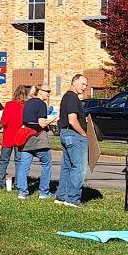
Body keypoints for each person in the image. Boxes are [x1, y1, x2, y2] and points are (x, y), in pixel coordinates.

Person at [55, 74, 91, 208]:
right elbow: (72, 120)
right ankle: (72, 199)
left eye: (86, 85)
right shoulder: (72, 97)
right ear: (74, 82)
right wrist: (83, 134)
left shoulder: (68, 97)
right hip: (74, 135)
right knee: (79, 167)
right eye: (82, 84)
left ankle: (62, 196)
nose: (84, 87)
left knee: (67, 166)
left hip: (66, 134)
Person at [15, 86, 56, 199]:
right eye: (47, 91)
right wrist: (53, 119)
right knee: (46, 164)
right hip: (38, 139)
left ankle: (22, 192)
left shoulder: (27, 103)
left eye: (49, 91)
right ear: (40, 92)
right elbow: (42, 124)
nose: (49, 94)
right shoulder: (41, 104)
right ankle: (44, 192)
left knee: (23, 166)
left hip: (25, 139)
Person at [0, 86, 30, 190]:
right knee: (19, 161)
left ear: (15, 94)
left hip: (8, 136)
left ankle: (0, 183)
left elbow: (4, 121)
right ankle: (18, 184)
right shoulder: (26, 106)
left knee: (3, 160)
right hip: (21, 136)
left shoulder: (9, 105)